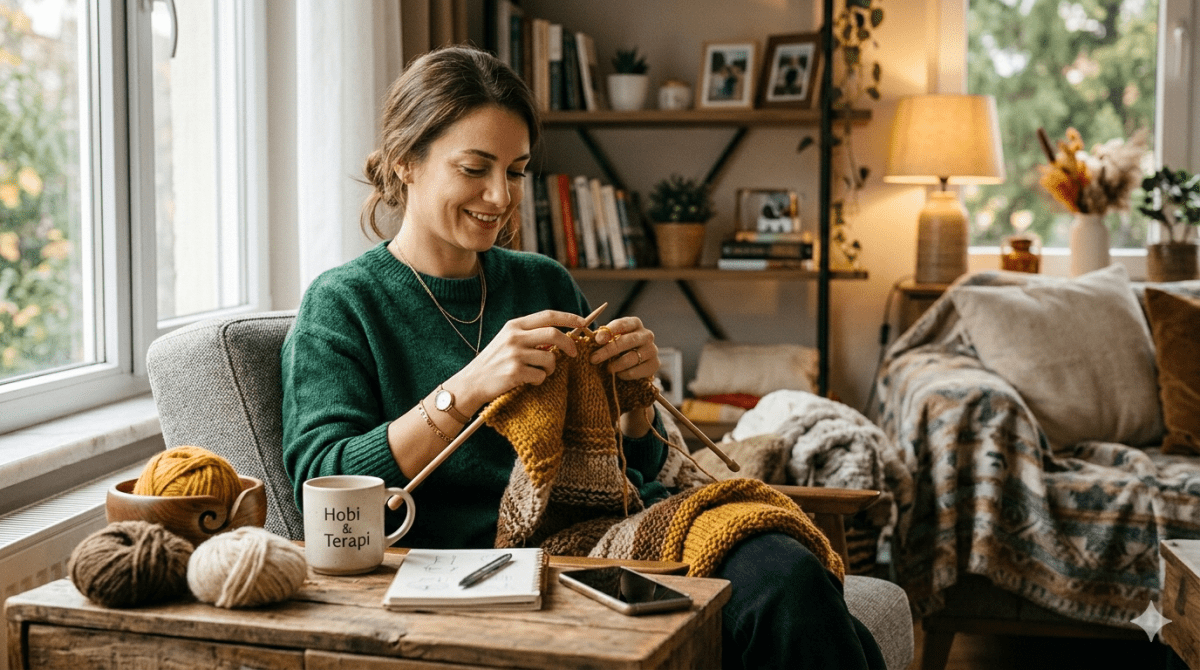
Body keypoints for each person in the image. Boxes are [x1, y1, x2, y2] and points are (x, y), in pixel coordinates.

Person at [281, 45, 884, 670]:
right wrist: (468, 387)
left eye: (516, 172)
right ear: (405, 162)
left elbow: (631, 470)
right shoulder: (344, 303)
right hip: (479, 575)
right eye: (474, 168)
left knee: (792, 576)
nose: (499, 196)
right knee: (793, 596)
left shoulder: (542, 281)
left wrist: (635, 405)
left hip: (607, 542)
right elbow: (320, 480)